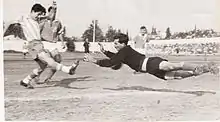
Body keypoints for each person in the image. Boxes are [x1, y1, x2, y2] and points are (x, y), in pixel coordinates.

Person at [4, 4, 79, 89]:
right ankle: (67, 69)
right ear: (32, 11)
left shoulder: (39, 19)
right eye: (38, 14)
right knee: (48, 60)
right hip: (33, 44)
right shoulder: (23, 18)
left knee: (42, 67)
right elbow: (9, 23)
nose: (39, 16)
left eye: (41, 14)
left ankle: (25, 81)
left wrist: (54, 8)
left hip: (39, 44)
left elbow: (50, 16)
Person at [84, 33, 219, 80]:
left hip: (150, 63)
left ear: (123, 43)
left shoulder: (124, 50)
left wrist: (94, 60)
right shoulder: (123, 52)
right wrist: (104, 52)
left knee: (171, 66)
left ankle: (201, 67)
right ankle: (199, 72)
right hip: (150, 70)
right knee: (176, 76)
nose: (114, 45)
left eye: (116, 44)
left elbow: (111, 62)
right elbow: (115, 58)